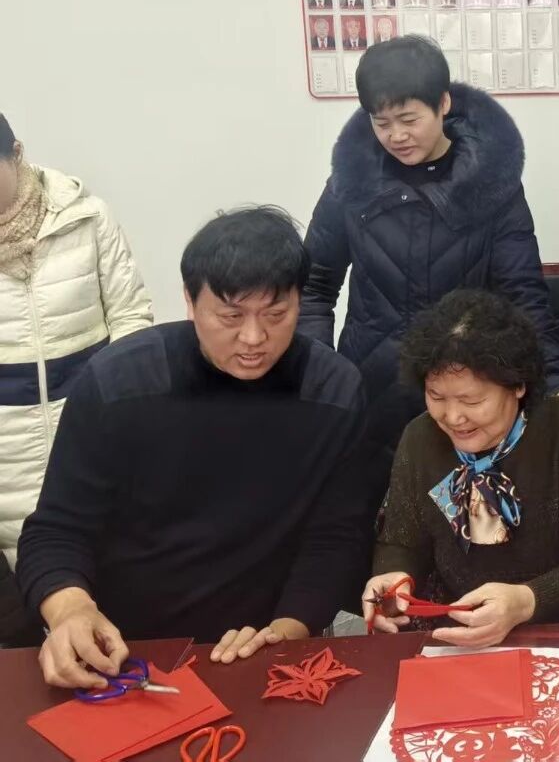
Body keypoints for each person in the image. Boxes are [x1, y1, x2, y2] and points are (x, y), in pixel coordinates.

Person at [16, 207, 369, 684]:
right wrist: (70, 611)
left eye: (276, 314)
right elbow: (56, 531)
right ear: (189, 300)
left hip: (258, 647)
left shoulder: (334, 391)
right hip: (125, 651)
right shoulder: (119, 382)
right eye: (230, 316)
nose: (254, 338)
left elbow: (335, 539)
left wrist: (287, 632)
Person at [300, 38, 559, 513]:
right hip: (372, 391)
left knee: (470, 533)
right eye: (381, 123)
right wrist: (318, 377)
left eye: (409, 119)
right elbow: (313, 286)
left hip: (467, 400)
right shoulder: (350, 183)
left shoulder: (491, 184)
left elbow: (522, 295)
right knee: (374, 527)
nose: (396, 136)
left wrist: (558, 379)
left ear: (443, 104)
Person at [364, 290, 559, 646]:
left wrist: (525, 600)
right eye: (436, 397)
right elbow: (402, 541)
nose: (453, 417)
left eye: (472, 400)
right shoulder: (421, 438)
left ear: (518, 385)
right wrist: (393, 578)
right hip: (471, 633)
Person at [0, 115, 152, 646]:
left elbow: (131, 319)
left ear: (16, 154)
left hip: (90, 432)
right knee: (22, 623)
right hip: (7, 452)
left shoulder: (84, 218)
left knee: (104, 596)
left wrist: (116, 411)